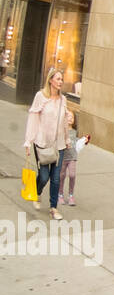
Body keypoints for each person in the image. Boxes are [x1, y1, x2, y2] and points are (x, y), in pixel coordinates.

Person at [24, 67, 71, 220]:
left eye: (62, 79)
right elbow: (33, 119)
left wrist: (68, 138)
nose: (61, 82)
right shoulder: (41, 96)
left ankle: (53, 208)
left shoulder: (63, 100)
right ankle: (37, 192)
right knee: (44, 177)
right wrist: (28, 141)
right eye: (58, 79)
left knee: (56, 178)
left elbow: (64, 121)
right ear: (50, 80)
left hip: (59, 145)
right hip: (42, 143)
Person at [59, 106, 88, 207]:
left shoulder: (75, 131)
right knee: (61, 176)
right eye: (68, 116)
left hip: (72, 158)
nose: (70, 118)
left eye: (72, 117)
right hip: (62, 158)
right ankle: (60, 195)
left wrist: (85, 140)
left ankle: (71, 195)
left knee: (72, 175)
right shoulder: (61, 130)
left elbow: (78, 144)